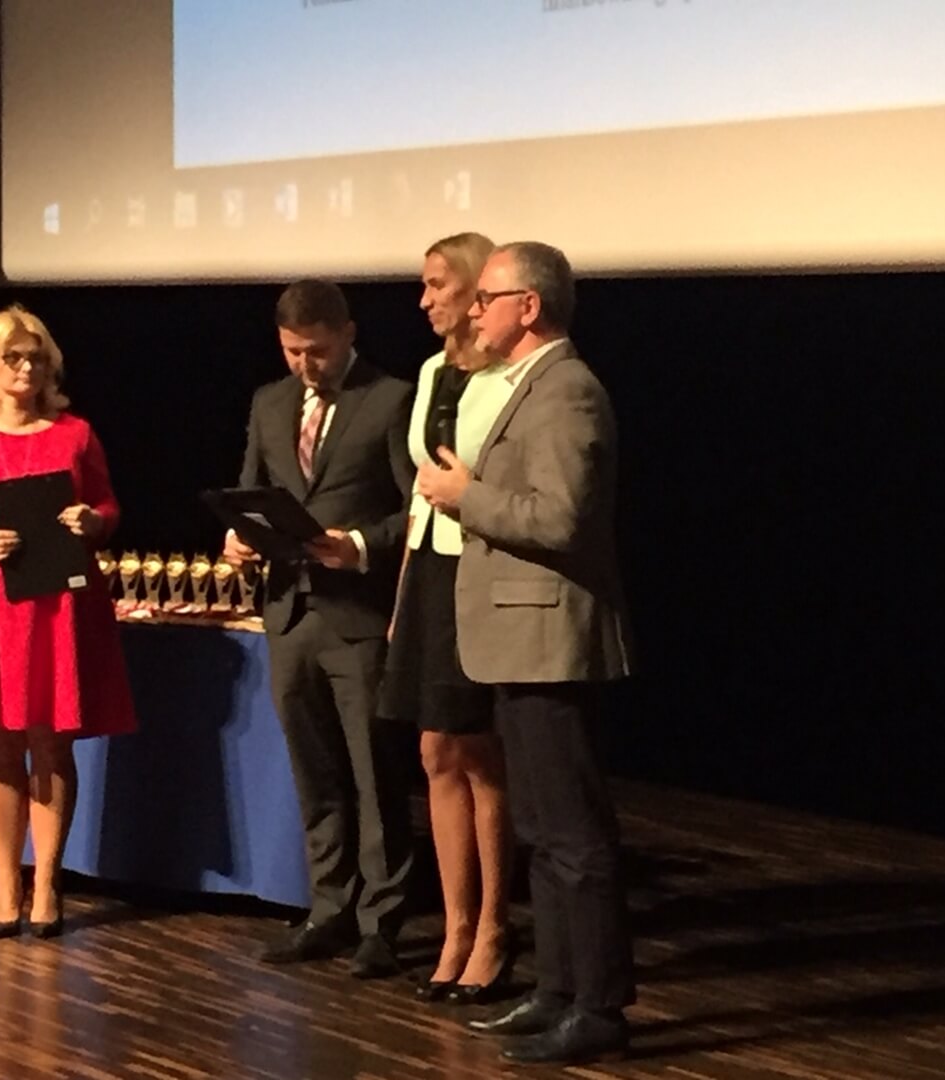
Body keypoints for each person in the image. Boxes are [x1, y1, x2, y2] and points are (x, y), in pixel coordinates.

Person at [416, 242, 636, 1064]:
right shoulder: (527, 385)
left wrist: (464, 496)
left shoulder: (567, 390)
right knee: (541, 830)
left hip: (550, 640)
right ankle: (556, 990)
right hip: (515, 640)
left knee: (573, 834)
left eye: (488, 297)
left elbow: (562, 517)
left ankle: (600, 1007)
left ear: (529, 306)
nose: (474, 310)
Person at [0, 304, 137, 940]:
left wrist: (92, 521)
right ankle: (7, 883)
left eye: (36, 358)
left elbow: (107, 506)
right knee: (0, 744)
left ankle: (47, 884)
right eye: (13, 357)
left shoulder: (74, 435)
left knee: (51, 742)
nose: (26, 368)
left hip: (55, 606)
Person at [222, 280, 416, 979]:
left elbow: (416, 511)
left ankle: (382, 922)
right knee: (315, 774)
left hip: (356, 616)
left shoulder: (390, 399)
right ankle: (328, 908)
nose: (306, 365)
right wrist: (239, 538)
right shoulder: (270, 403)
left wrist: (358, 545)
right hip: (289, 613)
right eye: (293, 352)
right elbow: (251, 490)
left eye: (318, 351)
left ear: (348, 333)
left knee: (375, 774)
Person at [379, 232, 516, 1005]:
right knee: (434, 750)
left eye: (438, 285)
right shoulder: (432, 373)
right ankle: (456, 928)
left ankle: (495, 927)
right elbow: (418, 493)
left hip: (482, 569)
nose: (425, 299)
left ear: (474, 291)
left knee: (478, 751)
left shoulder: (508, 379)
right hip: (431, 569)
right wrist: (404, 595)